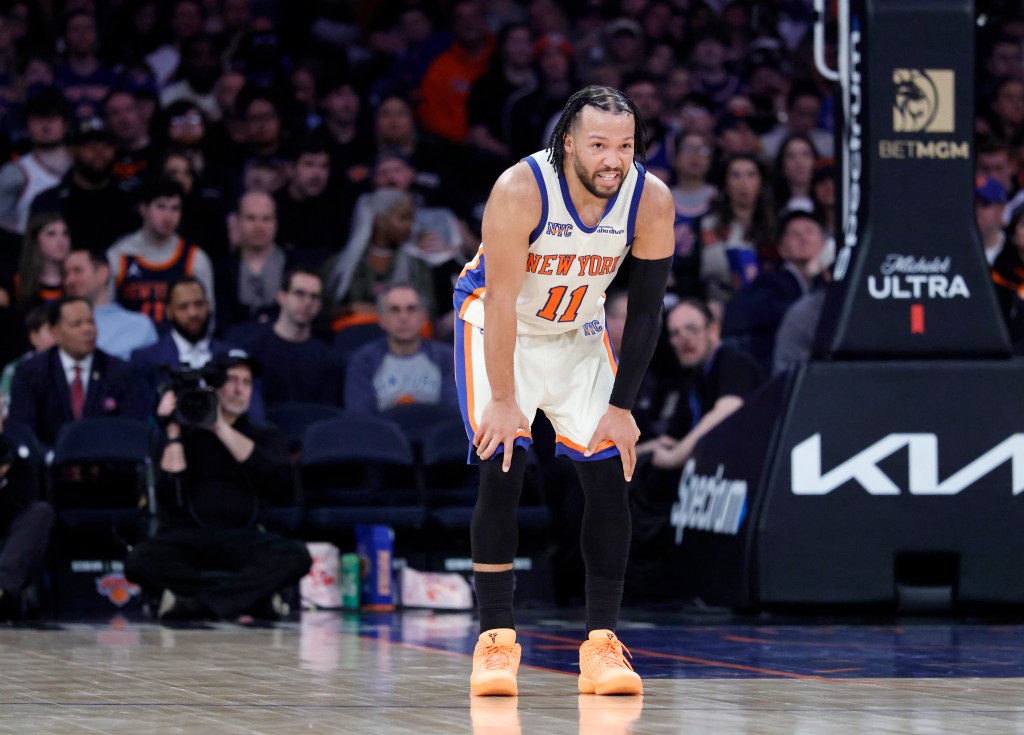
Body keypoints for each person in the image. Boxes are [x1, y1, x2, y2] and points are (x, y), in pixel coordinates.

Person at [453, 86, 673, 697]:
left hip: (580, 332)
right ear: (569, 141)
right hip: (501, 329)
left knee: (609, 474)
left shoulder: (650, 199)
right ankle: (495, 641)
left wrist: (623, 408)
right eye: (600, 144)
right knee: (504, 464)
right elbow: (499, 299)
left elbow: (648, 312)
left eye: (625, 145)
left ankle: (602, 645)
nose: (614, 159)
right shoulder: (520, 189)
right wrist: (502, 398)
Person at [124, 349, 311, 622]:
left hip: (245, 536)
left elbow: (274, 476)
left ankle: (195, 605)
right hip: (189, 537)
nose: (239, 390)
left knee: (296, 556)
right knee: (138, 560)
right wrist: (173, 433)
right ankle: (249, 600)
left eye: (246, 383)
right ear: (212, 387)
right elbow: (169, 493)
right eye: (232, 380)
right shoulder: (186, 433)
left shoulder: (265, 434)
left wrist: (219, 427)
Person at [644, 299, 765, 470]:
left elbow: (727, 410)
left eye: (692, 329)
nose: (683, 339)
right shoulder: (692, 379)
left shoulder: (732, 362)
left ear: (713, 331)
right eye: (675, 333)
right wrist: (649, 448)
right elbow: (672, 438)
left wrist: (674, 457)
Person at [8, 297, 145, 447]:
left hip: (105, 463)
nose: (87, 330)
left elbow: (130, 430)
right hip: (47, 464)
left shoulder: (121, 372)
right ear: (55, 332)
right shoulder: (31, 372)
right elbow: (22, 430)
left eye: (91, 322)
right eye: (76, 324)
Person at [721, 209, 828, 374]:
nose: (803, 238)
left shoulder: (831, 282)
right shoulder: (770, 282)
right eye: (794, 234)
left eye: (810, 231)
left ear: (824, 242)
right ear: (782, 249)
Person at [106, 176, 214, 328]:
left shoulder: (195, 258)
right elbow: (105, 313)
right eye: (161, 207)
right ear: (143, 209)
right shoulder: (119, 255)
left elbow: (208, 316)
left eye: (175, 208)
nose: (168, 216)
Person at [31, 116, 139, 256]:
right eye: (91, 144)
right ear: (71, 151)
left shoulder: (133, 199)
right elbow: (34, 256)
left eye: (106, 144)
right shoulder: (49, 202)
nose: (99, 151)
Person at [344, 283, 457, 414]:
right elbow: (359, 416)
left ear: (423, 318)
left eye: (411, 309)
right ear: (382, 319)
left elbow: (454, 414)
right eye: (394, 310)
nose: (403, 318)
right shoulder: (363, 361)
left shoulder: (447, 358)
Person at [241, 269, 341, 407]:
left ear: (320, 305)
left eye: (314, 297)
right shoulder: (251, 348)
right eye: (300, 293)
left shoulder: (330, 360)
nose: (307, 302)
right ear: (282, 297)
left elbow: (326, 412)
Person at [130, 276, 231, 404]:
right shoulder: (145, 359)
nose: (193, 313)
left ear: (208, 305)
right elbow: (139, 414)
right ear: (169, 311)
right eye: (183, 307)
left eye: (199, 304)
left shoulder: (231, 357)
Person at [0, 416, 55, 621]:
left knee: (41, 512)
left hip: (12, 525)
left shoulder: (19, 438)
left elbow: (27, 492)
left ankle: (2, 589)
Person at [62, 249, 158, 361]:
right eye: (65, 274)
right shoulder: (57, 326)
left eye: (78, 271)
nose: (69, 280)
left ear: (103, 273)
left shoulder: (140, 326)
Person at [215, 191, 287, 335]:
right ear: (238, 222)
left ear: (276, 223)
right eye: (251, 218)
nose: (259, 226)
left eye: (266, 219)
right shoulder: (223, 269)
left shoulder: (293, 266)